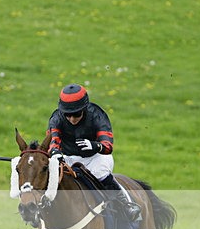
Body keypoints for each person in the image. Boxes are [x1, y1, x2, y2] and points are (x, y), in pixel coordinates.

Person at [46, 83, 141, 221]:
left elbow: (108, 146)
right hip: (68, 158)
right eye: (68, 115)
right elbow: (53, 140)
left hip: (96, 157)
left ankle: (126, 204)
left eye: (76, 114)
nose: (72, 119)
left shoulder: (97, 115)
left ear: (84, 108)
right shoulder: (56, 118)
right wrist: (55, 151)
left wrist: (95, 146)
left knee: (101, 175)